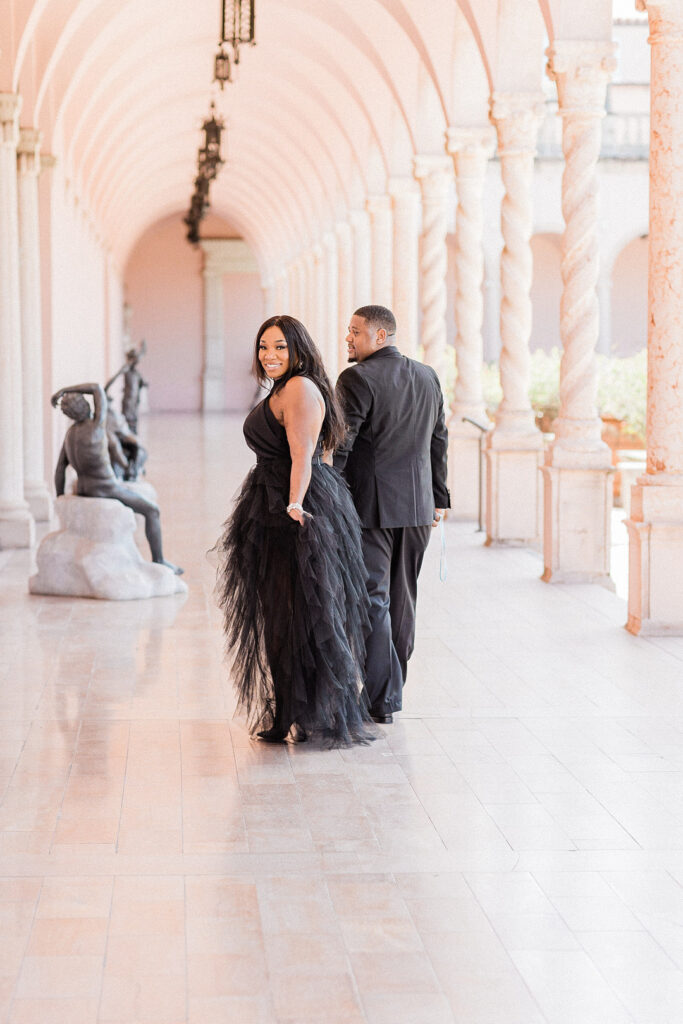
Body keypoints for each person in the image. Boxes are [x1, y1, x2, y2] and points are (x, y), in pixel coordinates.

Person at [213, 315, 374, 746]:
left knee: (303, 612)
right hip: (276, 499)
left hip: (292, 506)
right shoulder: (285, 388)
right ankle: (291, 712)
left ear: (298, 348)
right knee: (284, 613)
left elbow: (304, 455)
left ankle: (310, 712)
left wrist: (296, 505)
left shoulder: (300, 388)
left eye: (280, 346)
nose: (270, 355)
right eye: (264, 346)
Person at [334, 305, 450, 724]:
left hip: (372, 507)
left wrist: (329, 493)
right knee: (402, 600)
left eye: (355, 332)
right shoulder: (428, 375)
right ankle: (389, 691)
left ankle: (383, 697)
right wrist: (440, 497)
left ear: (380, 336)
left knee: (374, 599)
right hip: (418, 508)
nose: (348, 339)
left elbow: (343, 444)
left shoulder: (356, 378)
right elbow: (439, 438)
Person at [51, 382, 182, 574]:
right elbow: (96, 388)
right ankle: (159, 559)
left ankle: (160, 560)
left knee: (147, 506)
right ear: (85, 407)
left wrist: (61, 499)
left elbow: (60, 469)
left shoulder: (70, 435)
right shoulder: (96, 427)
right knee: (152, 511)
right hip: (105, 488)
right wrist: (64, 390)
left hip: (83, 489)